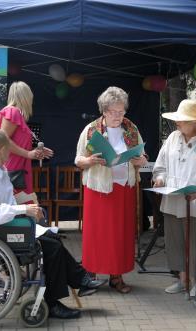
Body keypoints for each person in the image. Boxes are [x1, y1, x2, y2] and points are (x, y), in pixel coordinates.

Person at [0, 129, 105, 319]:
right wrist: (22, 211)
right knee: (52, 246)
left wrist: (26, 209)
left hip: (7, 225)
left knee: (53, 238)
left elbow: (5, 203)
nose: (11, 152)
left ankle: (80, 281)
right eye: (8, 149)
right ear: (1, 150)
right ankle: (58, 299)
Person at [75, 86, 147, 293]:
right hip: (98, 190)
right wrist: (89, 160)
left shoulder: (131, 129)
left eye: (122, 111)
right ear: (104, 111)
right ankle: (90, 277)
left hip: (124, 189)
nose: (119, 116)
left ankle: (117, 276)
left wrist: (141, 159)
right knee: (96, 235)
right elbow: (78, 160)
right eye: (114, 112)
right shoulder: (91, 130)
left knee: (120, 235)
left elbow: (143, 156)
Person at [152, 99, 196, 296]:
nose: (178, 123)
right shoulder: (172, 138)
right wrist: (159, 179)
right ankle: (182, 279)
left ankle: (195, 281)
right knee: (174, 242)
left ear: (195, 122)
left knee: (195, 242)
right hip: (172, 201)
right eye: (178, 120)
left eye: (183, 120)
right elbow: (161, 166)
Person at [0, 81, 53, 200]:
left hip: (18, 169)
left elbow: (14, 142)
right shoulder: (13, 112)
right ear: (25, 96)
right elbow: (3, 139)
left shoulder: (14, 113)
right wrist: (28, 154)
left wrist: (34, 151)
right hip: (14, 170)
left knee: (25, 208)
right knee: (26, 208)